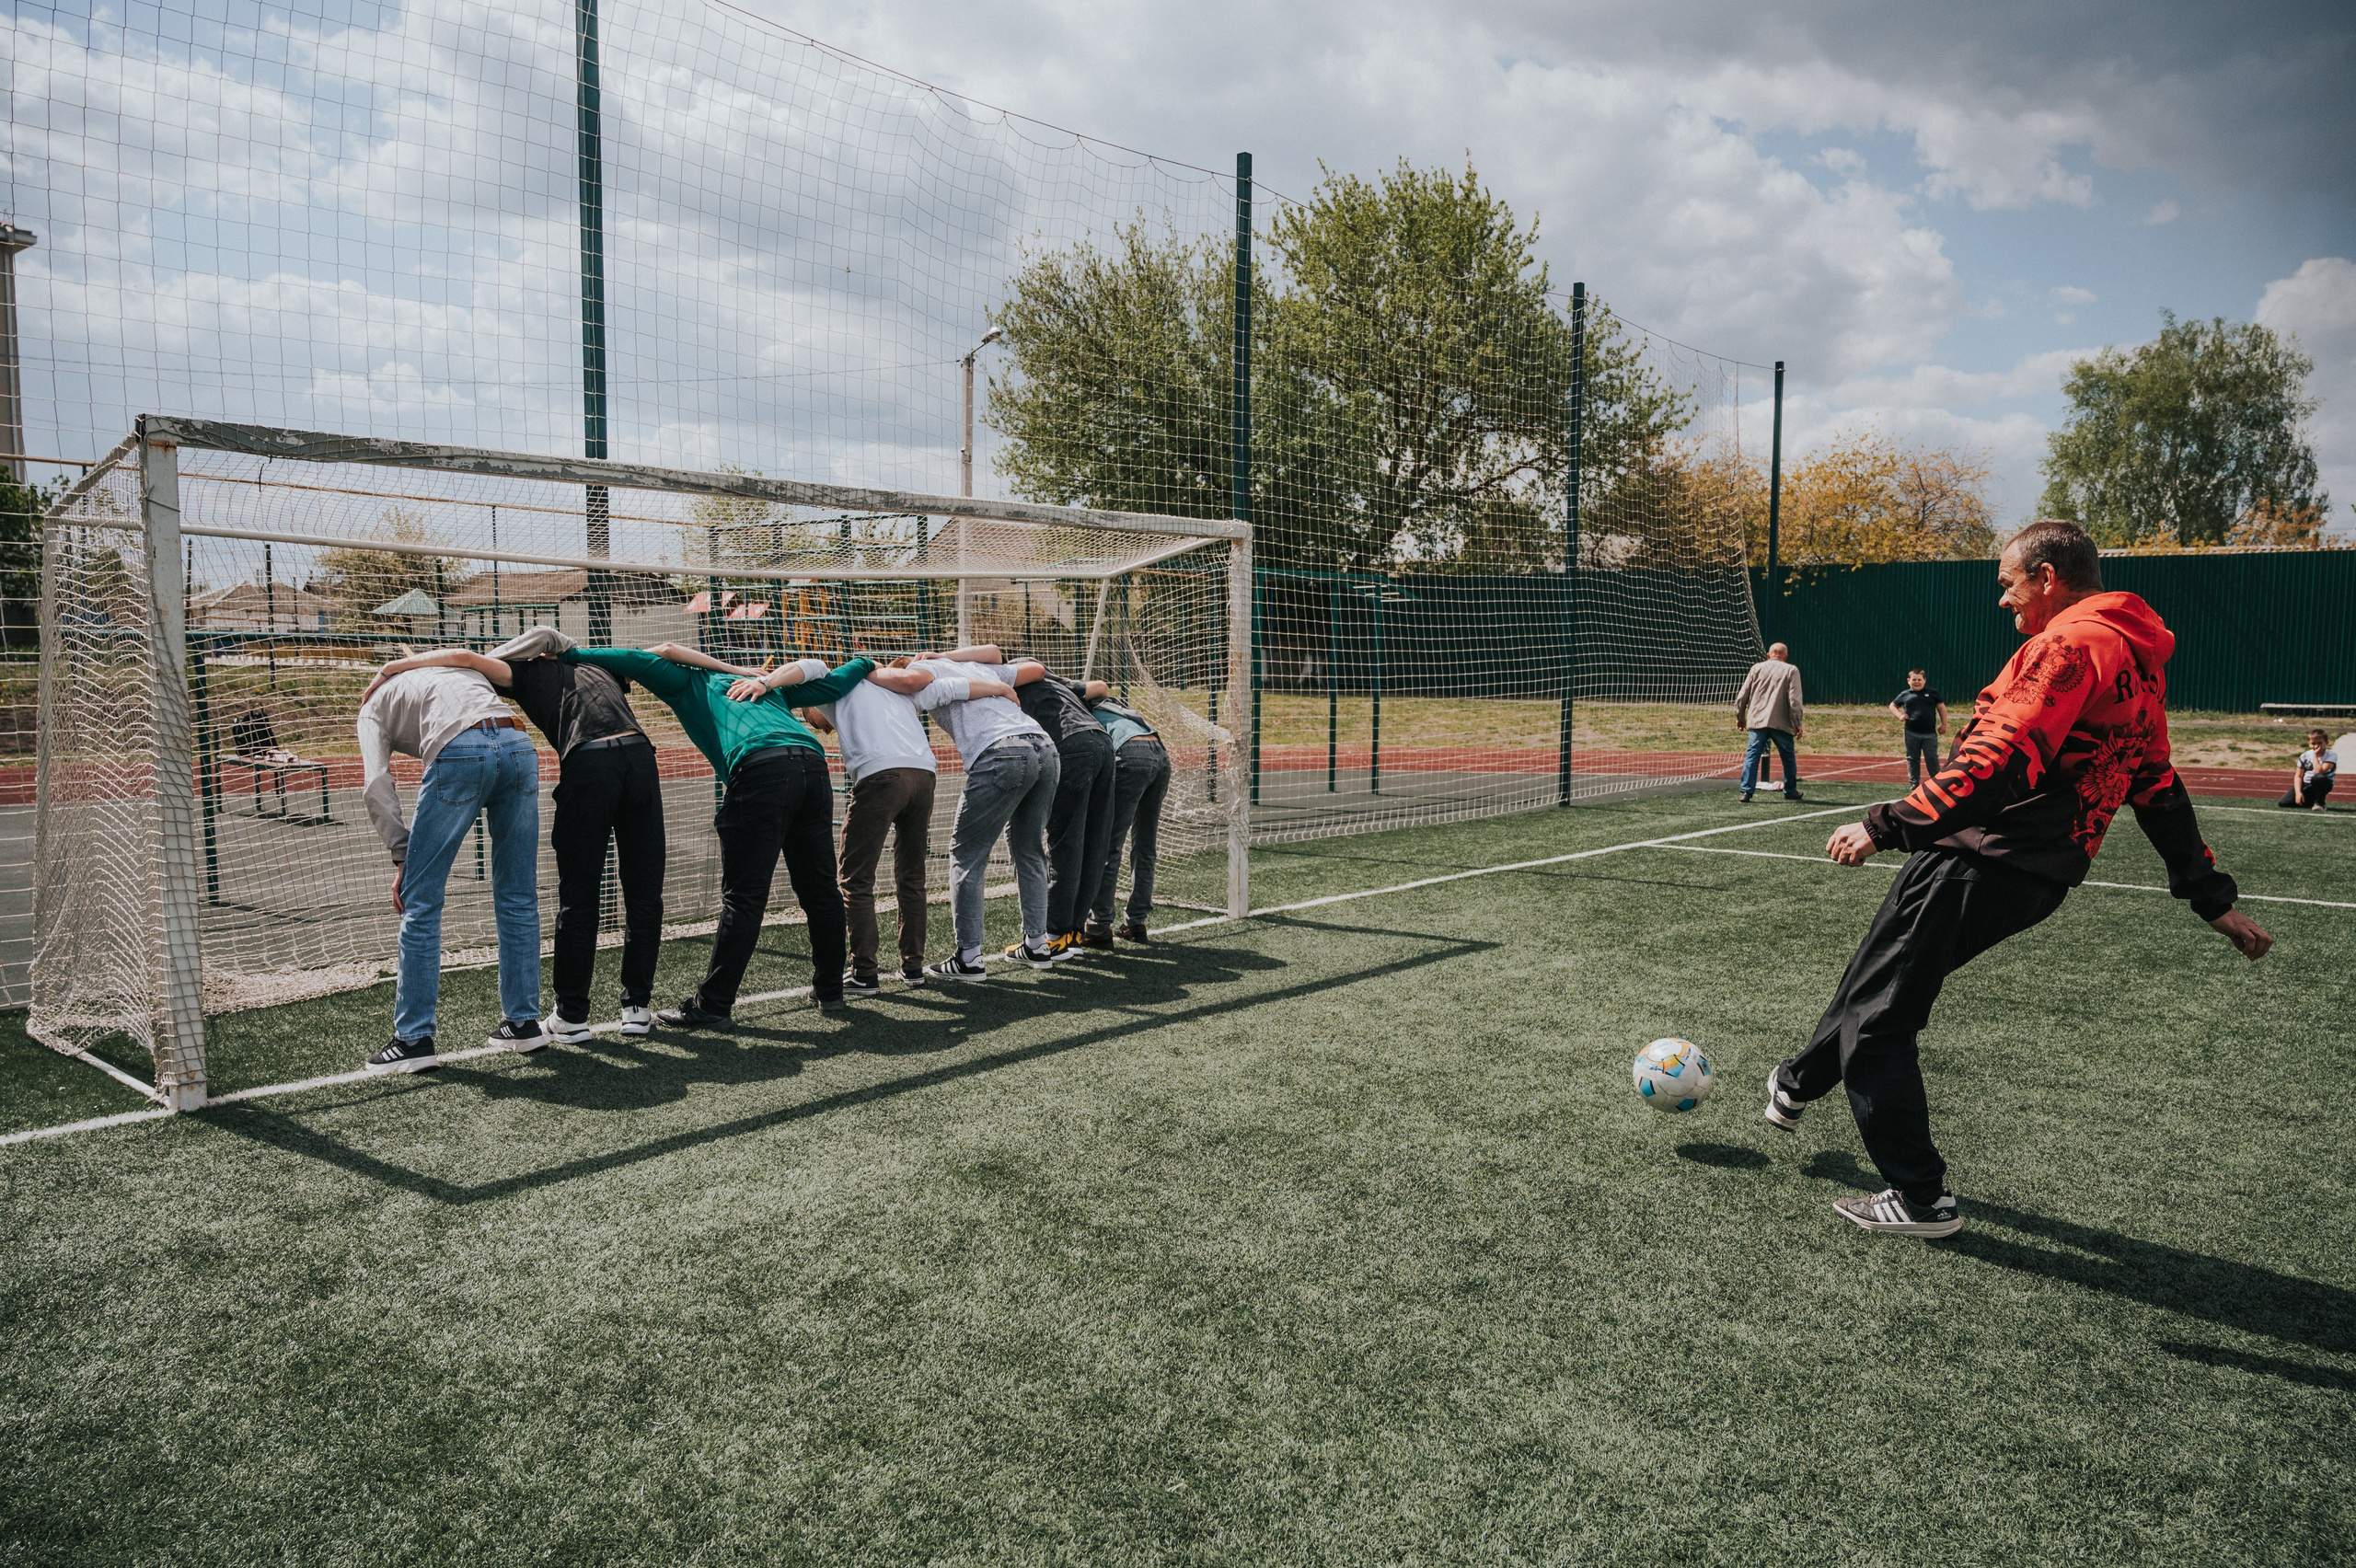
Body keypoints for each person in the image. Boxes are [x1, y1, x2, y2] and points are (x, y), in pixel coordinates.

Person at [1766, 520, 2272, 1239]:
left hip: (1977, 858)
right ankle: (1796, 1082)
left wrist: (1886, 825)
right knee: (1878, 978)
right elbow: (2157, 782)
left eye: (2007, 585)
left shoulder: (2070, 644)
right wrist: (2209, 898)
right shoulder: (2136, 658)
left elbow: (2000, 760)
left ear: (2046, 578)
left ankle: (1919, 1198)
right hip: (2036, 877)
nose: (2002, 602)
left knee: (1879, 1020)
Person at [556, 639, 881, 1023]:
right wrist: (865, 661)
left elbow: (637, 659)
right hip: (812, 765)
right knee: (820, 889)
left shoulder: (689, 681)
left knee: (744, 897)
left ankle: (712, 1005)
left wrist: (570, 654)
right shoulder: (770, 687)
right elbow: (837, 679)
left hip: (761, 770)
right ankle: (830, 991)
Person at [369, 628, 668, 1043]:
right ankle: (625, 1009)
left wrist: (394, 667)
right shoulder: (597, 667)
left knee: (576, 896)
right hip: (624, 756)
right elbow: (544, 636)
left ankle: (566, 1018)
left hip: (581, 762)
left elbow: (469, 661)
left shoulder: (512, 674)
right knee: (639, 892)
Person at [354, 658, 546, 1072]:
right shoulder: (448, 672)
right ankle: (524, 1023)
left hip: (460, 748)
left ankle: (414, 1040)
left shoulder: (370, 707)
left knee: (420, 901)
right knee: (518, 893)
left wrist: (402, 855)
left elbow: (376, 785)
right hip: (519, 745)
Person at [775, 653, 941, 991]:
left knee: (855, 878)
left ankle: (864, 971)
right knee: (912, 876)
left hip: (881, 774)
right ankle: (913, 967)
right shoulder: (890, 685)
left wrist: (775, 686)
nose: (817, 727)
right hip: (924, 772)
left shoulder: (831, 686)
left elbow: (811, 694)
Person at [907, 645, 1060, 979]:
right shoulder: (981, 668)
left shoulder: (923, 675)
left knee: (967, 854)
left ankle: (969, 956)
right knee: (1030, 848)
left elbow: (906, 682)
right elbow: (1035, 666)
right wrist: (951, 657)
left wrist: (933, 663)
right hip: (1045, 748)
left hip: (1001, 751)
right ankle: (1037, 944)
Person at [1011, 659, 1117, 960]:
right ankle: (1072, 933)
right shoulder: (1051, 679)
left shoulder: (1001, 681)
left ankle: (1054, 934)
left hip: (1070, 743)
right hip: (1102, 742)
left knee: (1066, 842)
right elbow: (1100, 687)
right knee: (1095, 842)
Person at [1078, 679, 1170, 947]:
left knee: (1107, 846)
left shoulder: (1080, 714)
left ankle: (1098, 927)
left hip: (1131, 754)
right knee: (1145, 846)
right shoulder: (1114, 707)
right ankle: (1136, 923)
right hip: (1160, 753)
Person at [1733, 641, 1805, 802]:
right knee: (1787, 757)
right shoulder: (1791, 670)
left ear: (1768, 654)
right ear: (1785, 656)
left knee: (1752, 755)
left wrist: (1740, 717)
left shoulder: (1756, 668)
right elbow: (1794, 701)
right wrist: (1797, 723)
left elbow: (1742, 695)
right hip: (1780, 722)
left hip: (1757, 720)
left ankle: (1746, 791)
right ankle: (1790, 790)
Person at [1888, 669, 1949, 788]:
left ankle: (1937, 782)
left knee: (1931, 758)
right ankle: (1914, 783)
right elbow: (1892, 705)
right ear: (1908, 681)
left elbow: (1942, 708)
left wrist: (1944, 724)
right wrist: (1900, 716)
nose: (1917, 682)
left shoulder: (1933, 693)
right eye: (1914, 679)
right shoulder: (1905, 694)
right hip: (1911, 732)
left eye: (1919, 679)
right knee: (1912, 758)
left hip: (1929, 734)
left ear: (1924, 680)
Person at [2281, 729, 2337, 811]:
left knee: (2317, 778)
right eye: (2313, 743)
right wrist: (2298, 793)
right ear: (2309, 744)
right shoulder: (2305, 755)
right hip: (2307, 783)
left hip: (2323, 783)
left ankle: (2320, 803)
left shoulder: (2331, 755)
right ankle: (2310, 801)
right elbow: (2299, 776)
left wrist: (2315, 756)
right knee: (2284, 803)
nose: (2316, 746)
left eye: (2320, 743)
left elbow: (2318, 771)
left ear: (2326, 743)